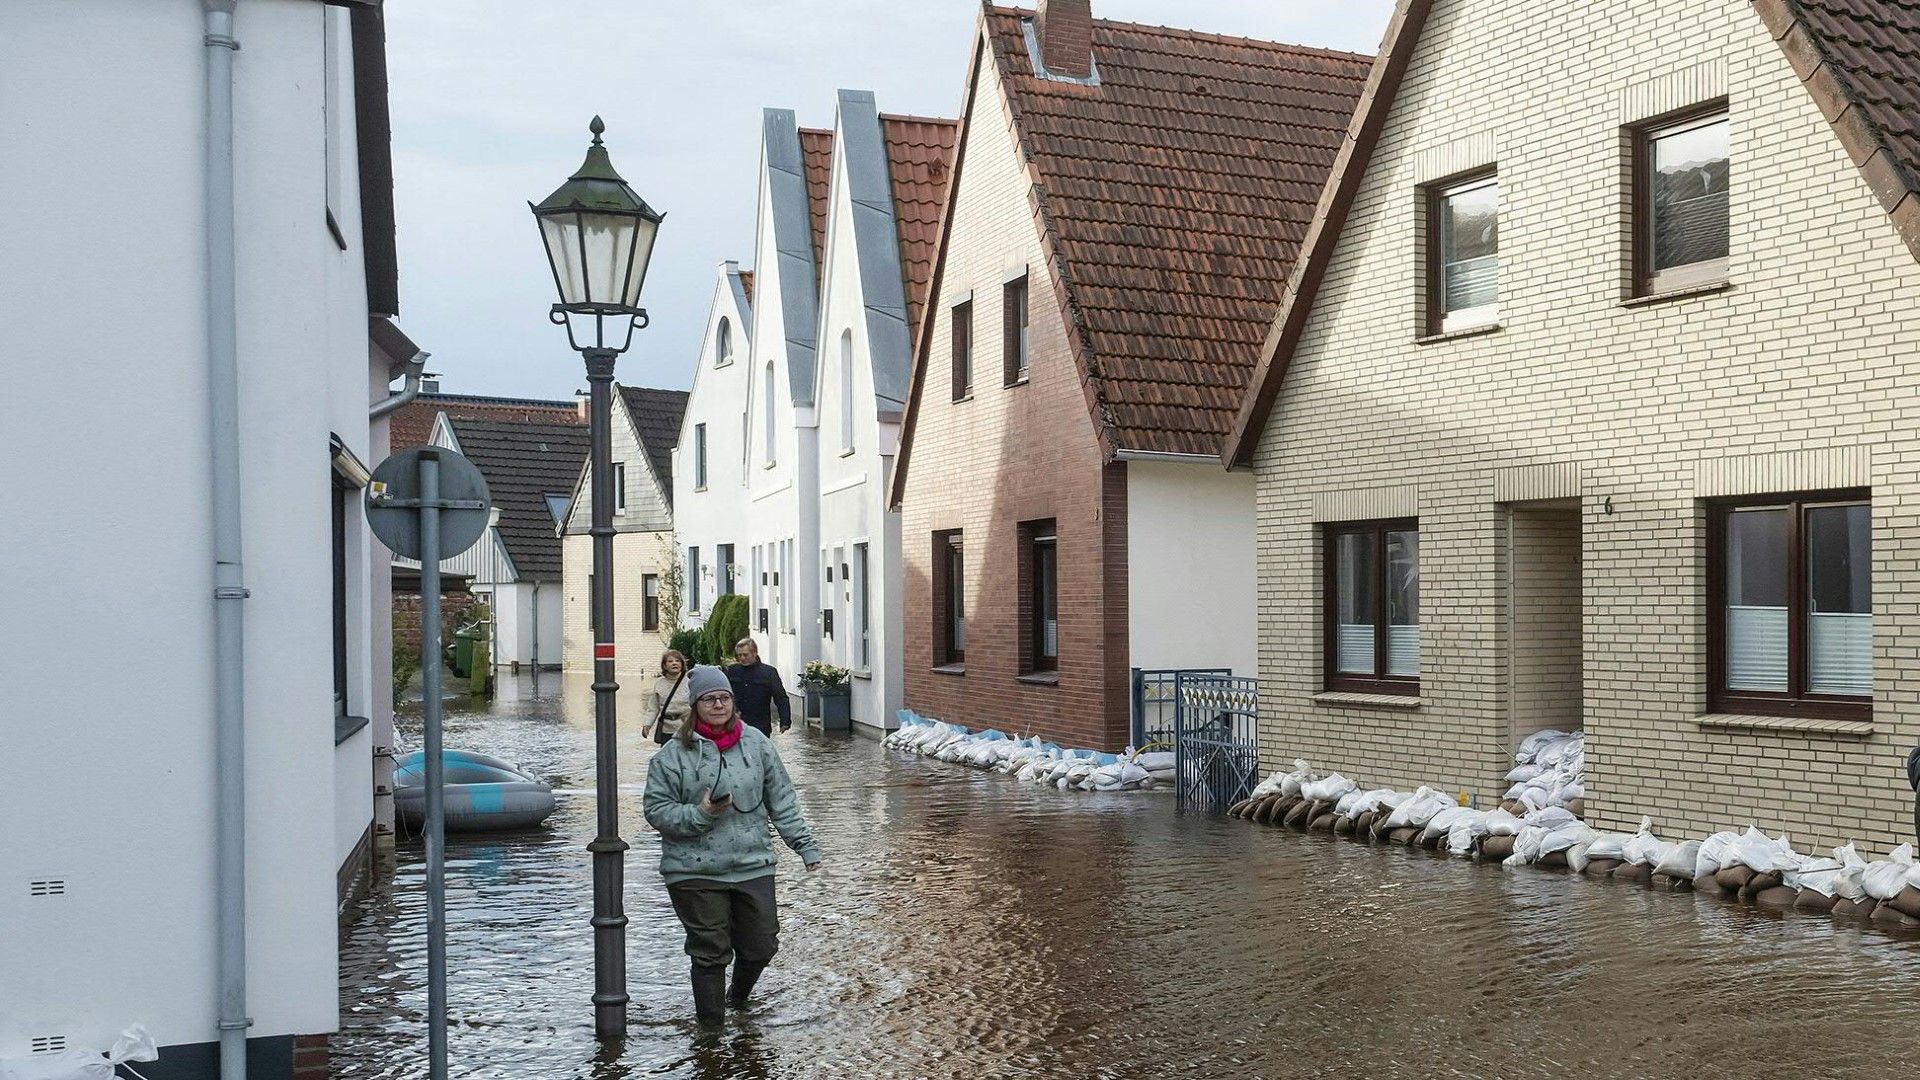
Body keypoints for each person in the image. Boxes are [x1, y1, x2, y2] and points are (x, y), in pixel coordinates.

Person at [642, 665, 821, 1025]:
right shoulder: (672, 757)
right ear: (695, 705)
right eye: (710, 699)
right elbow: (656, 812)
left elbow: (781, 798)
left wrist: (804, 846)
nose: (719, 705)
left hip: (752, 862)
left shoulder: (756, 743)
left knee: (761, 945)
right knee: (710, 953)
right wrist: (702, 813)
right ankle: (711, 1033)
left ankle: (737, 1000)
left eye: (725, 698)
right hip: (693, 870)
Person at [726, 638, 792, 736]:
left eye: (745, 654)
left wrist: (785, 721)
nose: (742, 658)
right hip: (736, 724)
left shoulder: (768, 672)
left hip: (760, 725)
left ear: (754, 653)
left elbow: (780, 698)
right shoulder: (731, 671)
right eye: (739, 655)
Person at [642, 650, 693, 742]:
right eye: (670, 661)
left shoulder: (690, 682)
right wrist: (647, 725)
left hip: (686, 728)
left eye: (677, 661)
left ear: (682, 664)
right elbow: (653, 708)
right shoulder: (659, 683)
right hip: (666, 729)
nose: (674, 663)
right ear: (664, 665)